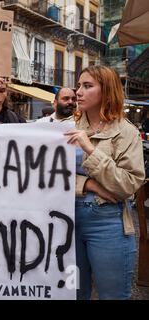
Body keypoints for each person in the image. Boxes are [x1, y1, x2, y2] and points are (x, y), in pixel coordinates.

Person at [65, 65, 145, 299]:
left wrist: (90, 148)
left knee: (113, 295)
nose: (79, 91)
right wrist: (87, 185)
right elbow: (49, 176)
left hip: (108, 222)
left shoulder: (126, 132)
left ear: (107, 92)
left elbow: (128, 185)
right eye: (79, 85)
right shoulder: (66, 127)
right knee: (73, 294)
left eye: (87, 86)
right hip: (66, 220)